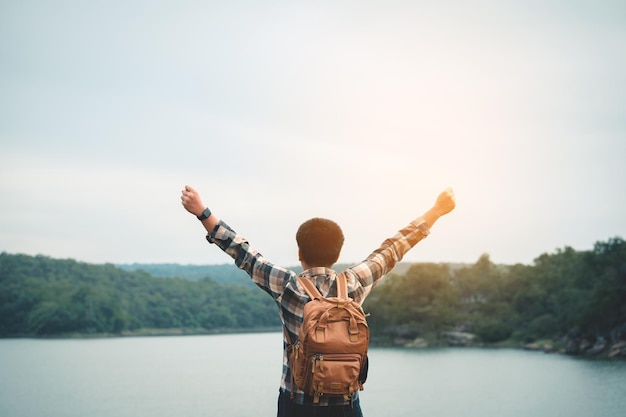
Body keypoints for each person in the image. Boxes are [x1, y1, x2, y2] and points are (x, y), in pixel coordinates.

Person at [180, 185, 456, 417]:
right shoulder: (353, 284)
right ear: (337, 254)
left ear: (299, 252)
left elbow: (243, 252)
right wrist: (436, 212)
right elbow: (393, 249)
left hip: (297, 404)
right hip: (345, 406)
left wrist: (202, 211)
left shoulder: (288, 286)